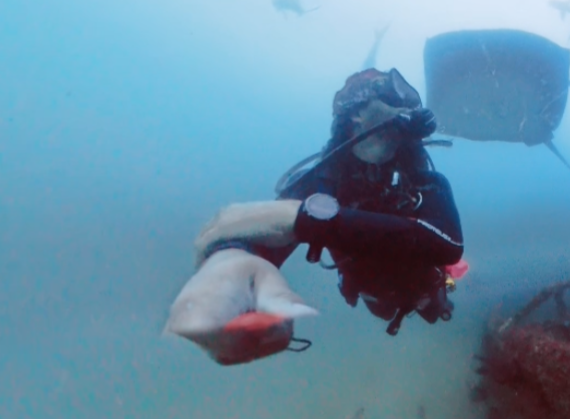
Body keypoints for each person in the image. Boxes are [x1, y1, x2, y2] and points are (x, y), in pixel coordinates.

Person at [166, 67, 465, 365]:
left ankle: (454, 283)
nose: (405, 112)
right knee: (405, 307)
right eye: (389, 98)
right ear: (356, 114)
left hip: (427, 285)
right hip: (380, 299)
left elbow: (448, 243)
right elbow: (261, 233)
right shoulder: (321, 182)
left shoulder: (414, 169)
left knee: (439, 302)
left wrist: (303, 220)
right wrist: (231, 266)